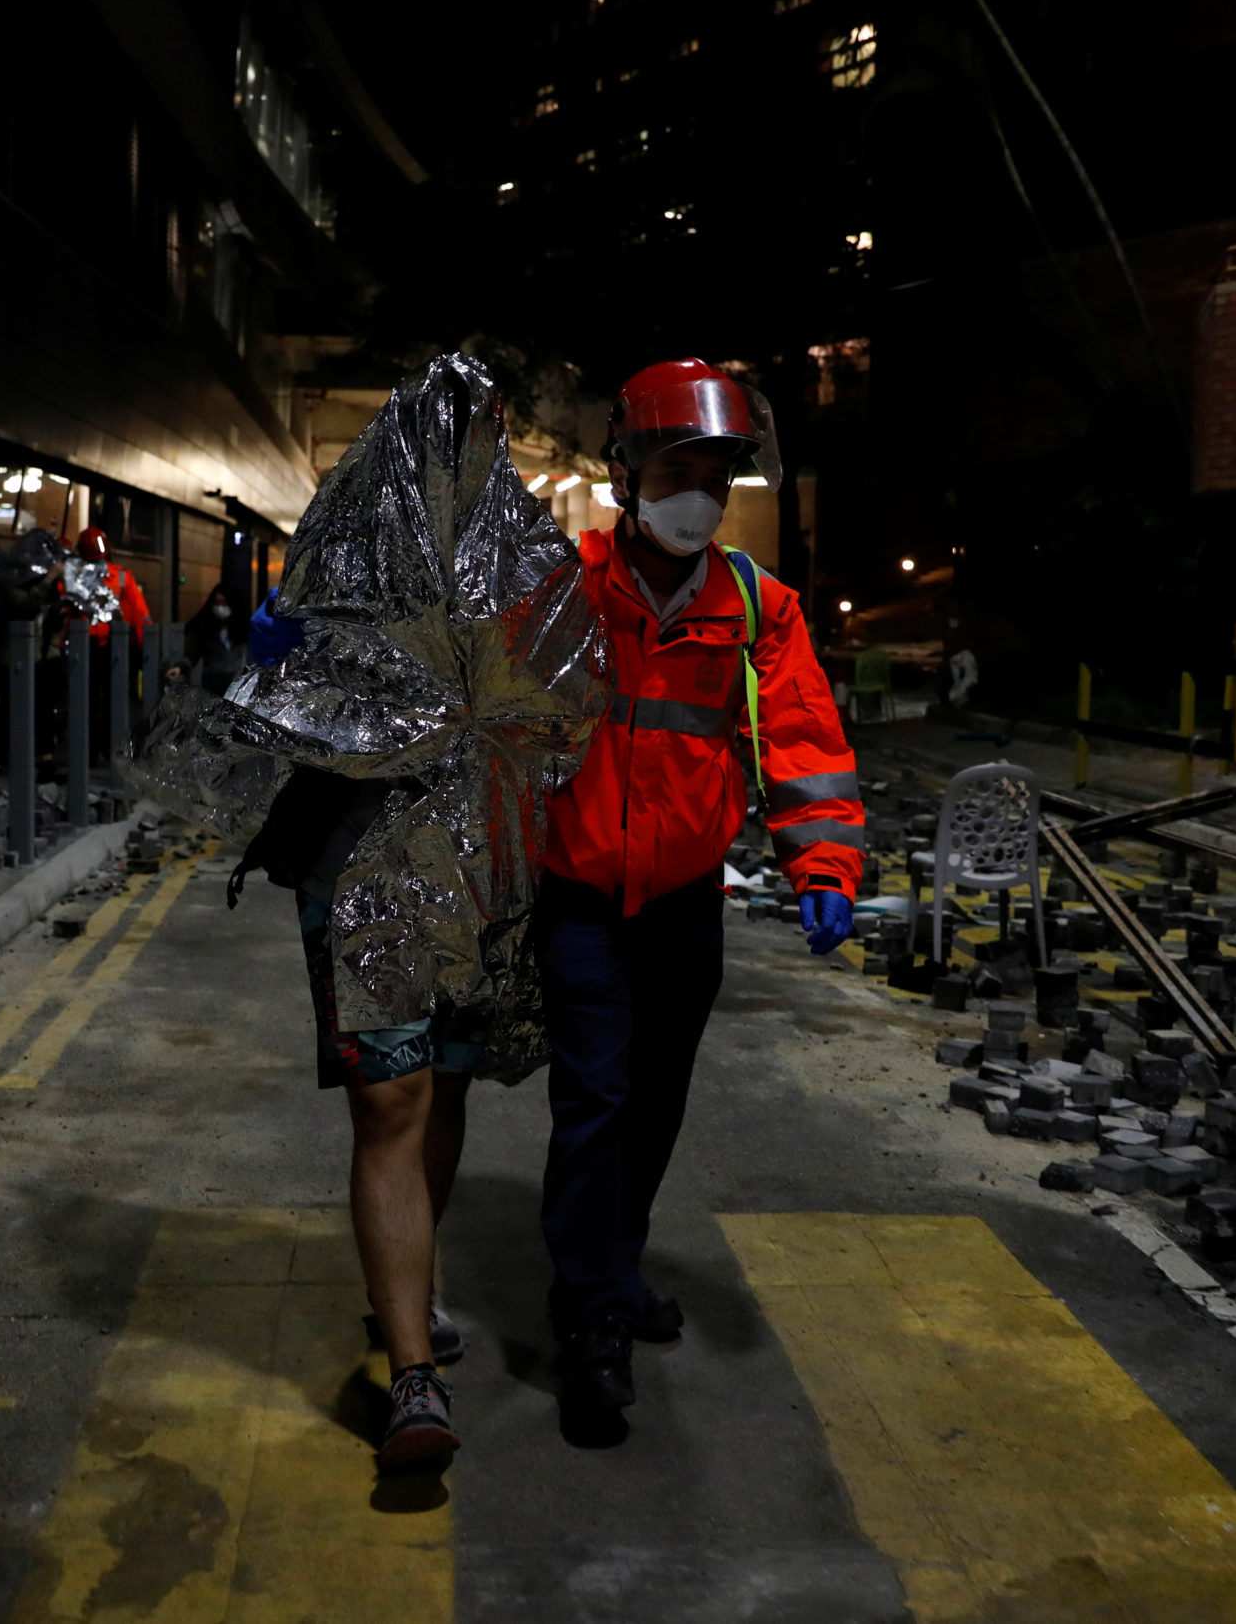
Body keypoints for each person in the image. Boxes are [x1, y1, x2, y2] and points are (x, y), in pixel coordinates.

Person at [536, 359, 864, 1429]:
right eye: (678, 469)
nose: (697, 495)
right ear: (627, 471)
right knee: (595, 1099)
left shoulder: (758, 607)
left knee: (655, 1100)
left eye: (715, 476)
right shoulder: (558, 587)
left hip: (682, 902)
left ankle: (615, 1269)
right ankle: (587, 1318)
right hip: (579, 895)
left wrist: (822, 863)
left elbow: (805, 745)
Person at [244, 590, 473, 1469]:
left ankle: (412, 1294)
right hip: (358, 858)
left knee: (445, 1079)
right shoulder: (341, 552)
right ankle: (414, 1375)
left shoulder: (503, 545)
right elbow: (268, 724)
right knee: (391, 1101)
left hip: (473, 857)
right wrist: (273, 658)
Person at [55, 526, 151, 761]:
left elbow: (61, 609)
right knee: (109, 700)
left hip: (90, 647)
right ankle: (106, 750)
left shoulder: (73, 576)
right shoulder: (120, 576)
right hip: (107, 648)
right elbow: (140, 615)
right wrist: (142, 647)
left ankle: (91, 751)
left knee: (88, 700)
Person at [184, 583, 248, 696]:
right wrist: (181, 667)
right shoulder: (206, 628)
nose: (220, 608)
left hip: (237, 686)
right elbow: (191, 654)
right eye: (217, 603)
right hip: (213, 684)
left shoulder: (243, 629)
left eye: (224, 603)